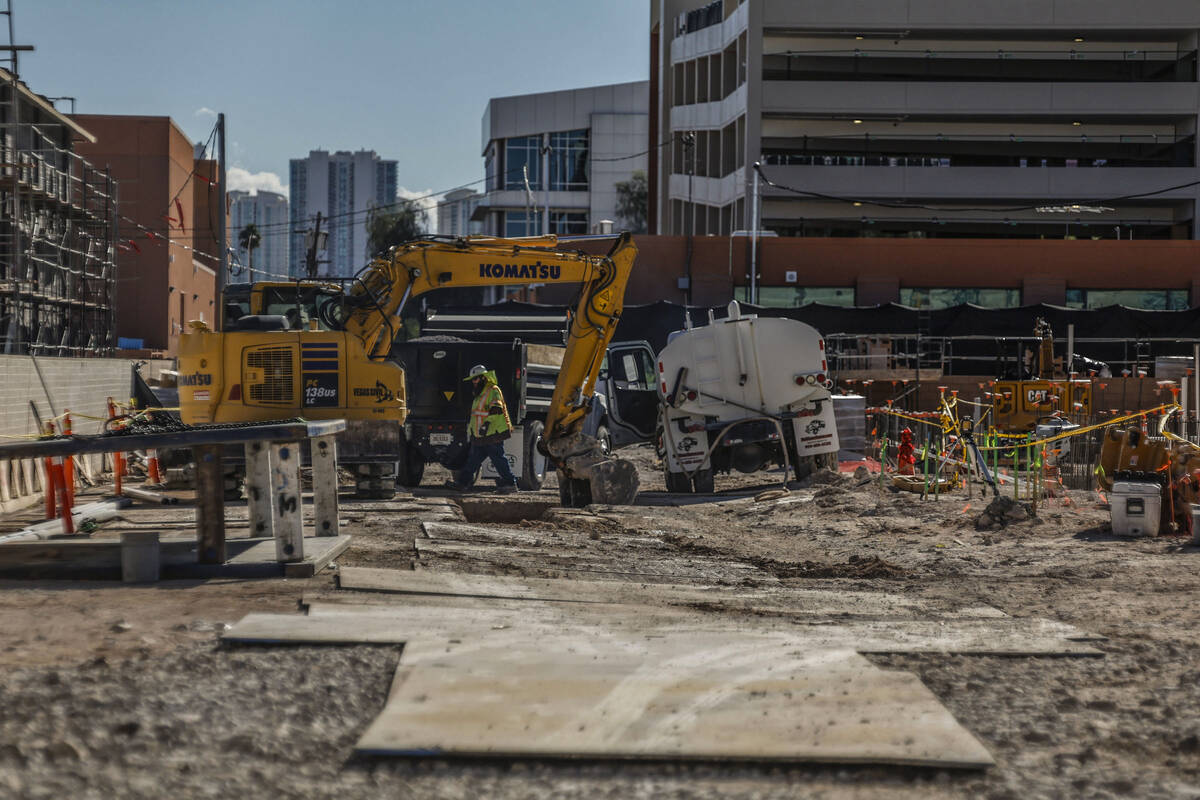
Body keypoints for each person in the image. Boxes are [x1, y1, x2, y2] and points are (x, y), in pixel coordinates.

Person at [446, 364, 518, 493]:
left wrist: (486, 425)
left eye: (475, 379)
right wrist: (473, 431)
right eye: (472, 380)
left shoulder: (493, 390)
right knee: (473, 460)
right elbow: (477, 414)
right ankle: (463, 483)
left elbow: (496, 410)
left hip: (492, 433)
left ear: (483, 378)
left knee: (498, 459)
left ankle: (510, 483)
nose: (473, 382)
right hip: (481, 435)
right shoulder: (480, 393)